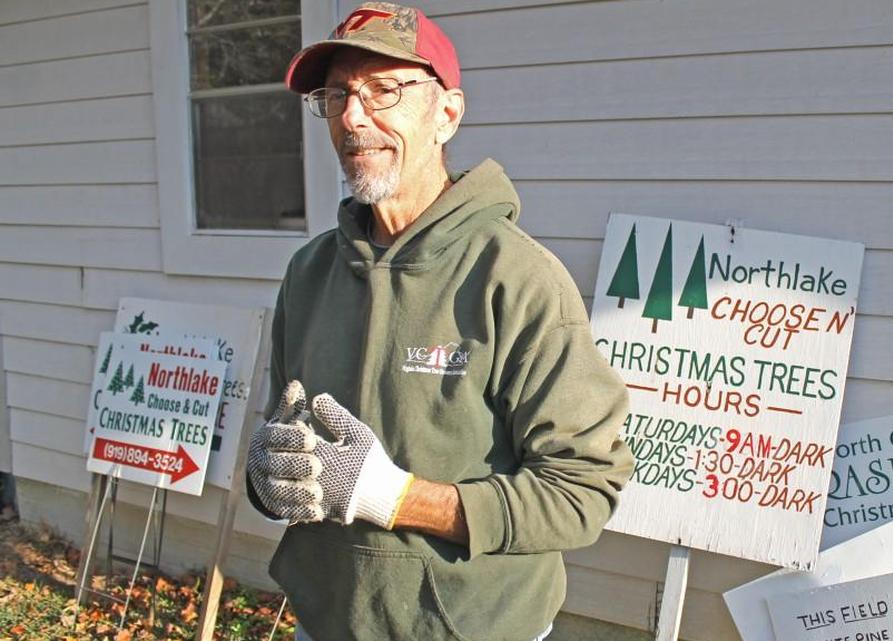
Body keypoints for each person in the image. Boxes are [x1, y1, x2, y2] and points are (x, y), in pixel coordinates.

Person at [242, 3, 635, 640]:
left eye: (384, 90)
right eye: (337, 94)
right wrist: (269, 475)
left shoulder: (517, 278)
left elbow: (582, 492)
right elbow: (289, 445)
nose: (352, 117)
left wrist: (396, 497)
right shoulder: (309, 273)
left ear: (447, 114)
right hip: (326, 622)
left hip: (471, 626)